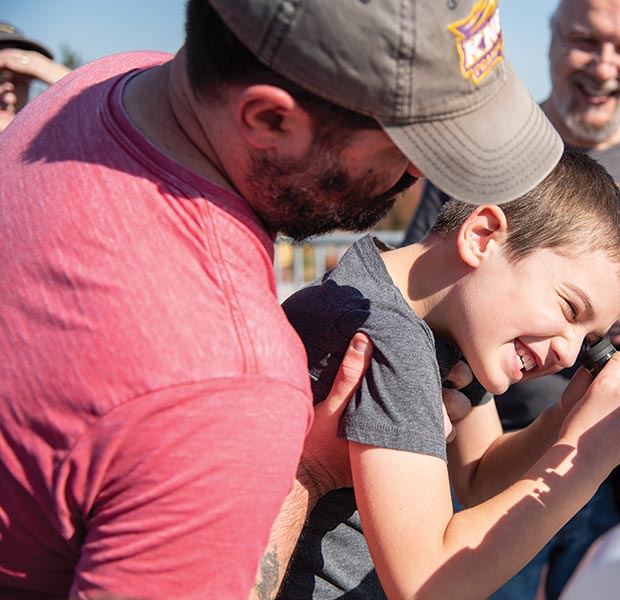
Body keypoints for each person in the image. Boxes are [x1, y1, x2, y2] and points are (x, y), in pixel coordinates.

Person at [0, 0, 564, 597]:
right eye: (405, 151)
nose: (415, 180)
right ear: (268, 120)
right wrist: (307, 473)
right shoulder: (228, 382)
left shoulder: (108, 86)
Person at [401, 1, 620, 597]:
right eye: (585, 40)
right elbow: (427, 286)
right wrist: (579, 446)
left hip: (582, 462)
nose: (604, 66)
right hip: (478, 448)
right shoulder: (400, 356)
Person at [277, 147, 620, 599]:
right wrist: (585, 459)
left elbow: (480, 477)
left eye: (590, 339)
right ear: (481, 236)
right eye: (569, 308)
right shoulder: (388, 338)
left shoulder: (441, 321)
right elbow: (431, 585)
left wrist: (564, 418)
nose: (569, 352)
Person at [0, 22, 70, 132]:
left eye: (19, 82)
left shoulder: (46, 144)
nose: (9, 99)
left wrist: (46, 69)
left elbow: (101, 109)